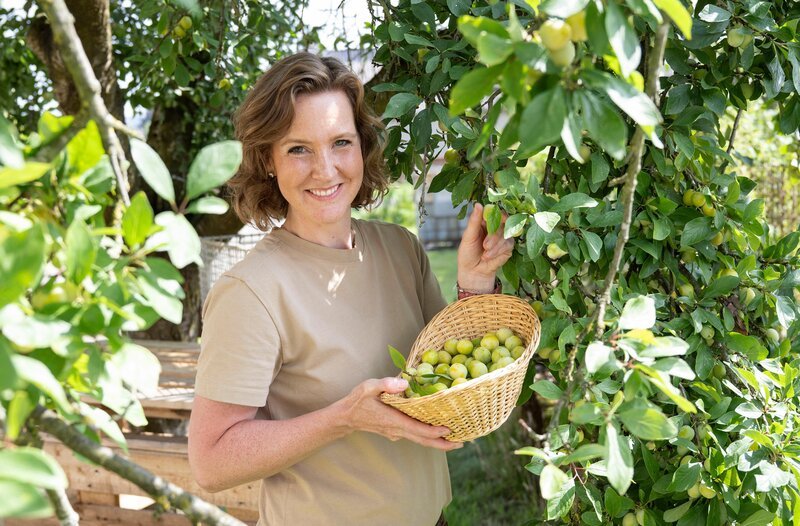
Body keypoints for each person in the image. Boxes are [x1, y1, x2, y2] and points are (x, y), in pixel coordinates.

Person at [187, 52, 514, 526]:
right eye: (298, 148)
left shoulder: (399, 248)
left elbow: (448, 371)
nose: (325, 169)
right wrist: (344, 417)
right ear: (268, 160)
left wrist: (475, 283)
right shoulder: (251, 289)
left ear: (362, 149)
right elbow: (211, 462)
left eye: (341, 142)